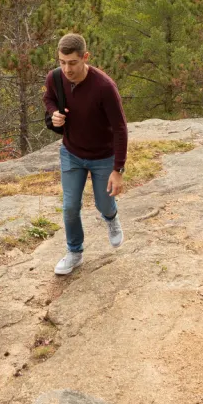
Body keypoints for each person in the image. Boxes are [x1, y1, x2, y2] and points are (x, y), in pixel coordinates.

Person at [43, 33, 128, 275]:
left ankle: (111, 218)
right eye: (62, 62)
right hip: (72, 153)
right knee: (70, 206)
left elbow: (121, 129)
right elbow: (49, 98)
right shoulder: (55, 78)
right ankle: (74, 252)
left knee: (104, 202)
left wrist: (118, 169)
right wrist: (54, 113)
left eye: (72, 62)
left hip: (103, 156)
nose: (66, 69)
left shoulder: (104, 87)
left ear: (85, 57)